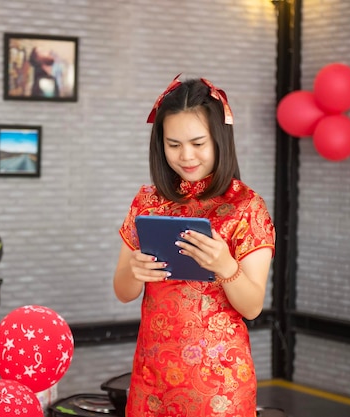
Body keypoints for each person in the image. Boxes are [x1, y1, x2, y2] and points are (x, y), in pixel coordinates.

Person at [113, 74, 276, 416]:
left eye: (198, 143)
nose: (185, 156)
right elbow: (123, 291)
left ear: (220, 139)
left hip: (219, 386)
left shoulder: (247, 206)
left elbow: (252, 307)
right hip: (152, 379)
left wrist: (226, 267)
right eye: (173, 145)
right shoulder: (147, 202)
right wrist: (136, 271)